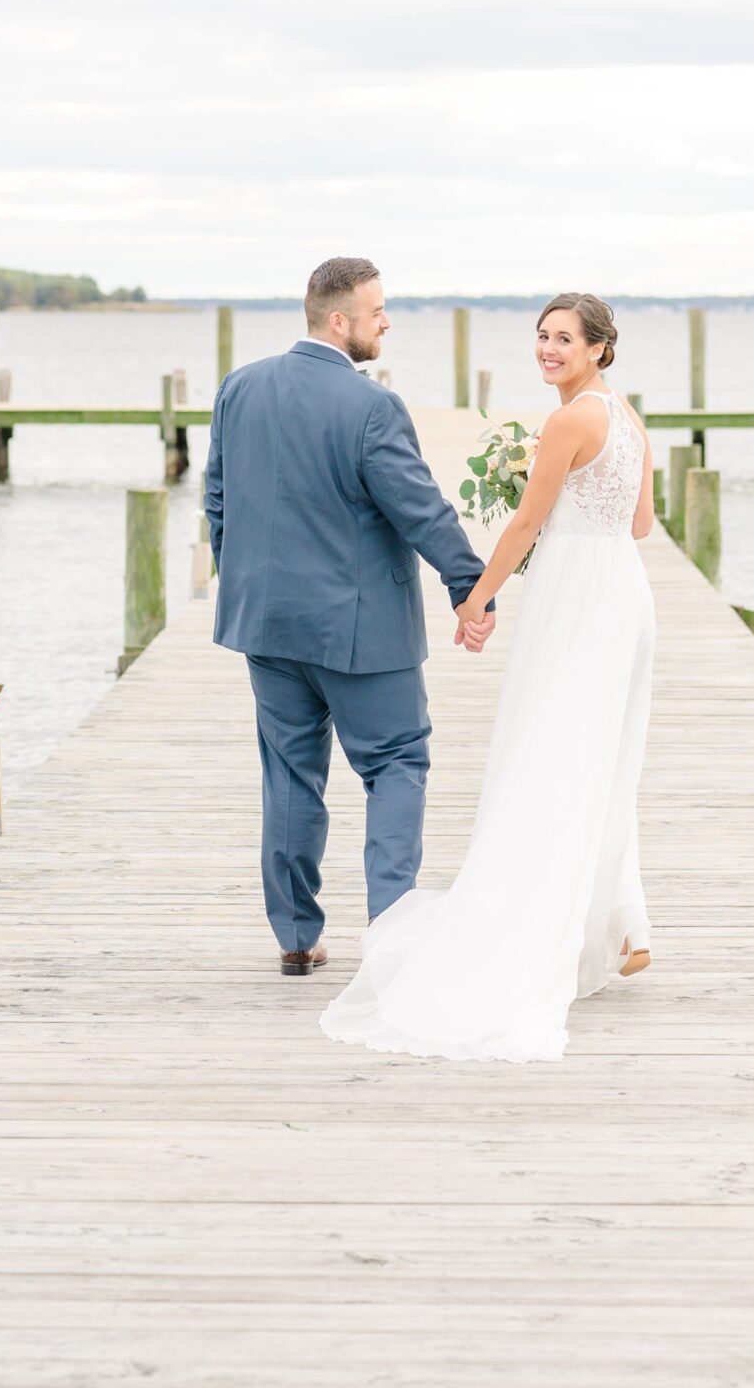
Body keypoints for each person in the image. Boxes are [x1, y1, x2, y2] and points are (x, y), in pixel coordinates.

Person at [320, 292, 657, 1062]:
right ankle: (620, 923)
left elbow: (525, 524)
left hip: (575, 595)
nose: (548, 349)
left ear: (600, 348)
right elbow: (639, 524)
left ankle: (554, 924)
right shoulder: (626, 416)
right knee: (598, 757)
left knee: (545, 753)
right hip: (622, 589)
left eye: (564, 339)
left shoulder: (568, 421)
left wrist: (475, 600)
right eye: (541, 336)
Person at [204, 256, 495, 976]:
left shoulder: (238, 389)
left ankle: (296, 937)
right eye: (377, 311)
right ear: (341, 321)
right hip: (360, 630)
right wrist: (469, 585)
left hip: (264, 624)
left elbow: (217, 501)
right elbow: (418, 507)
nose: (386, 321)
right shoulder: (371, 407)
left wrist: (242, 578)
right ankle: (392, 931)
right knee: (396, 762)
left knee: (289, 775)